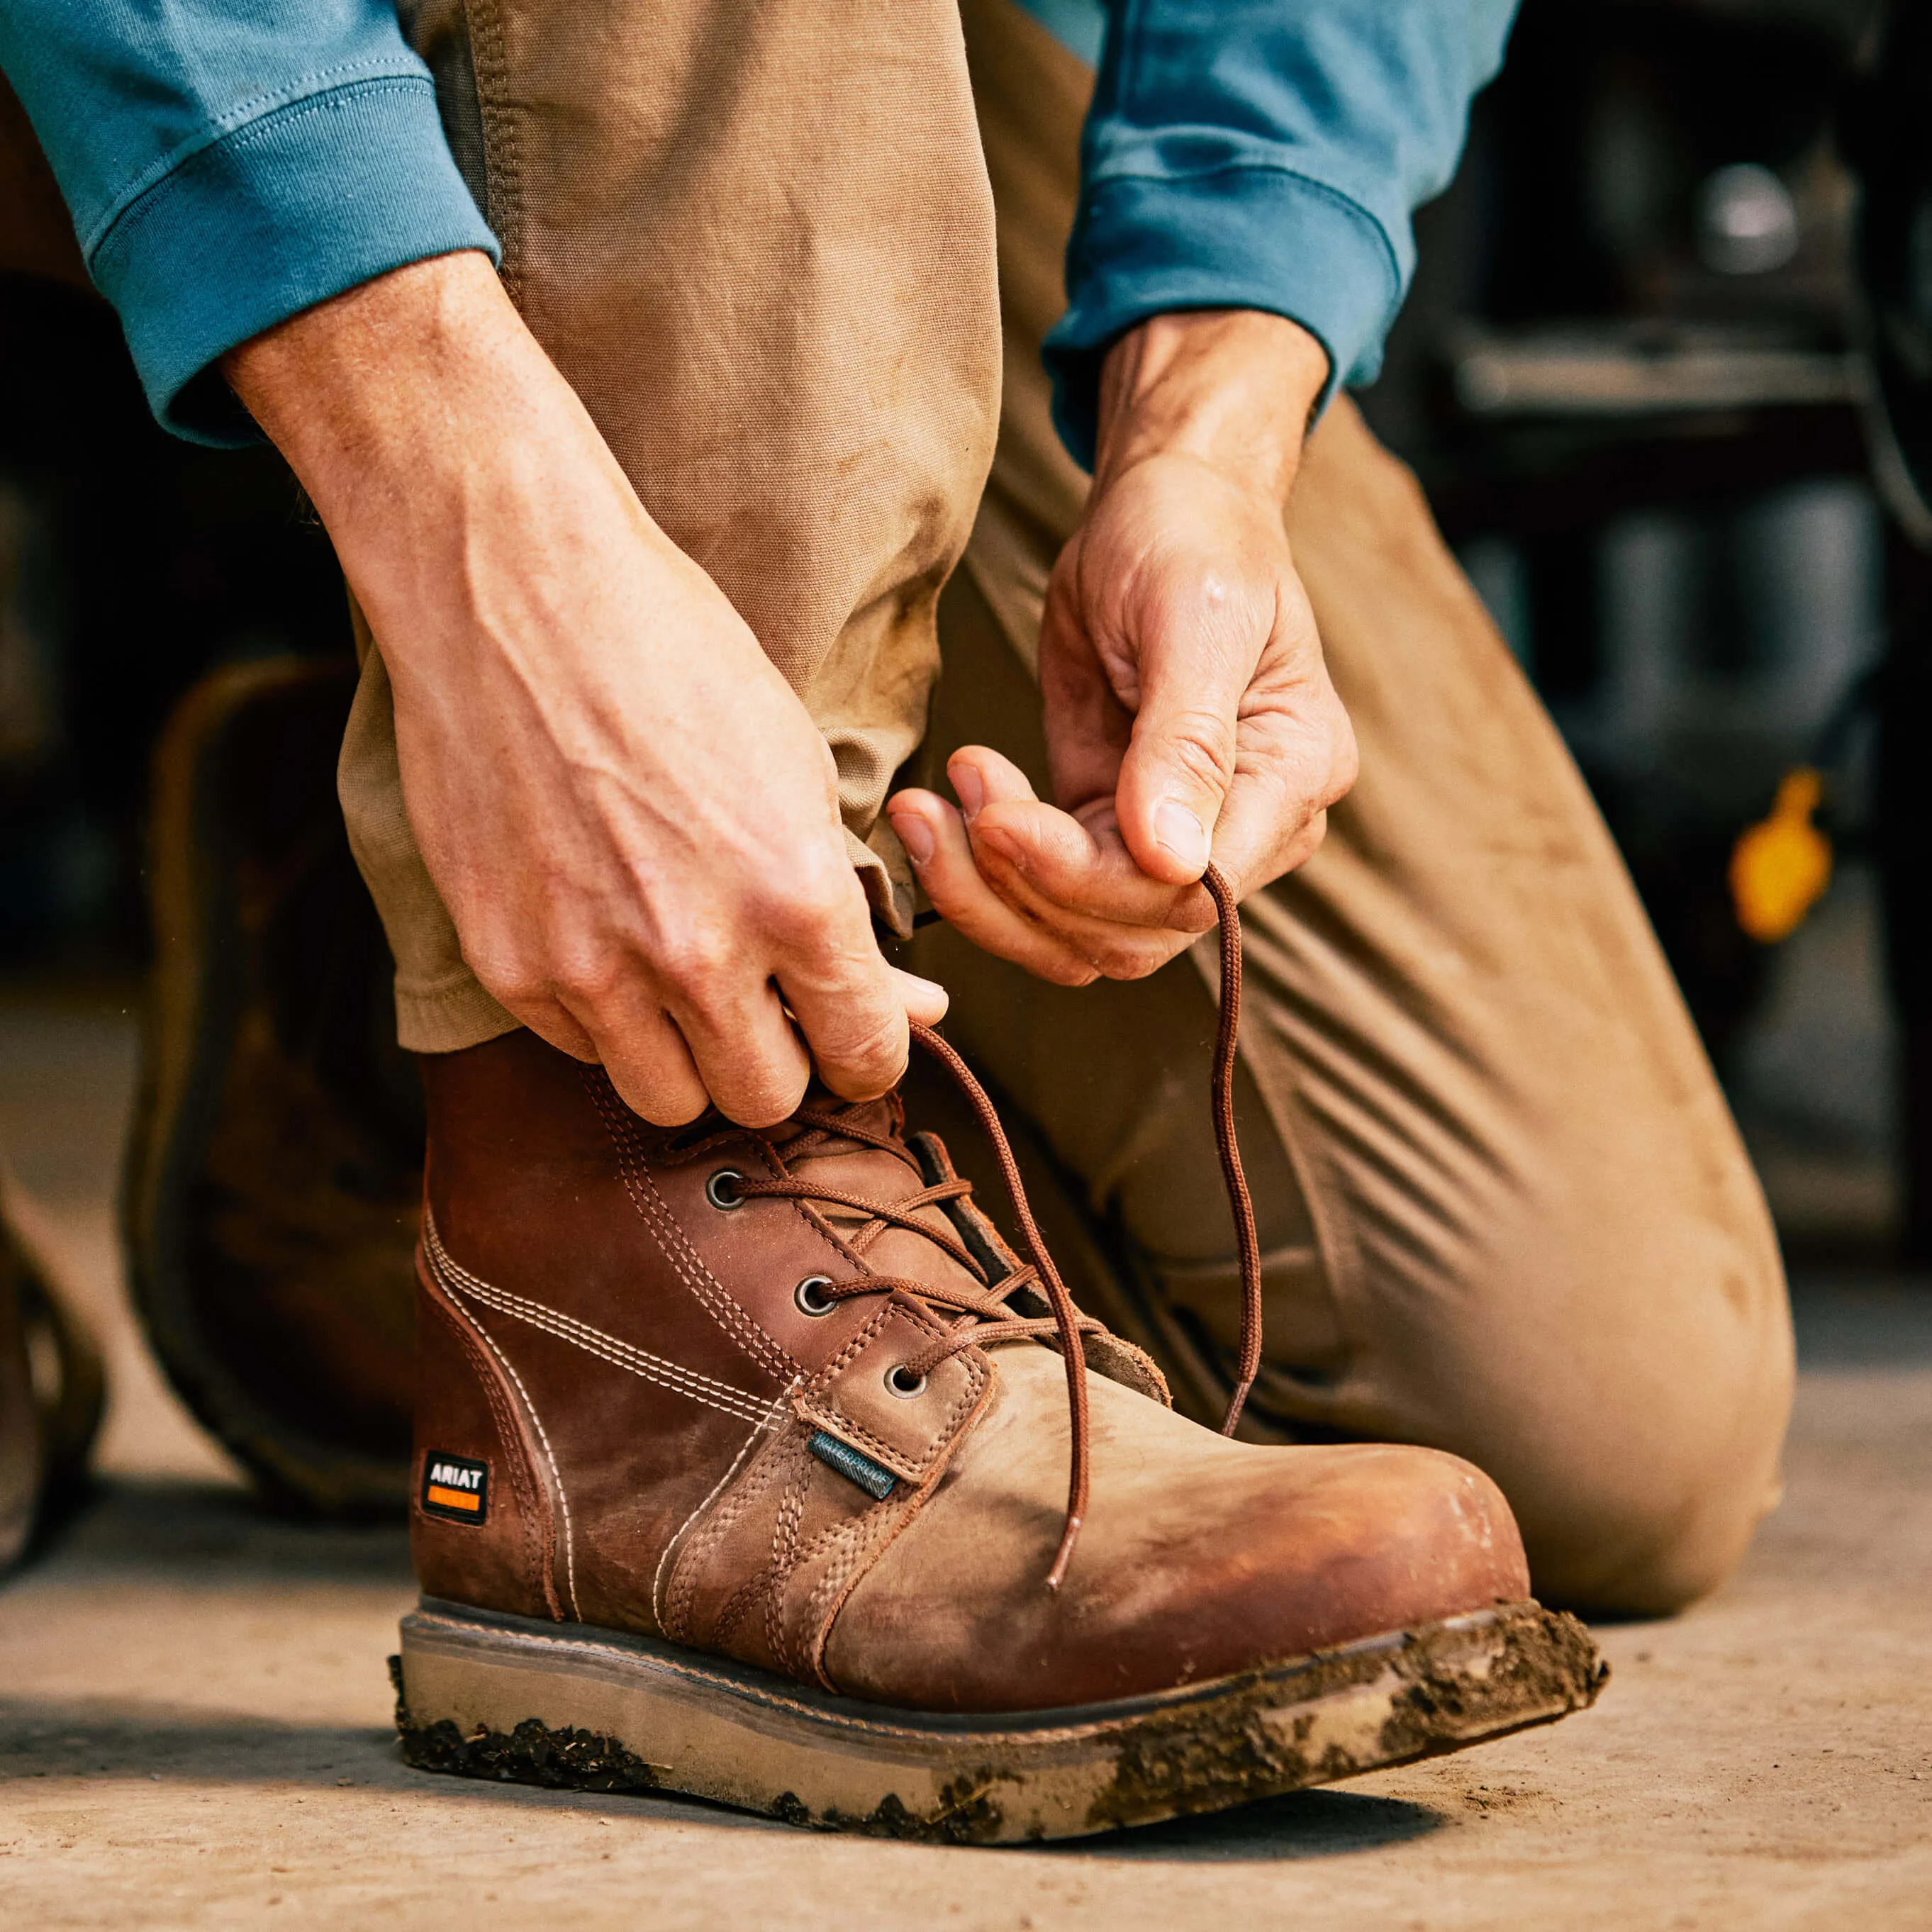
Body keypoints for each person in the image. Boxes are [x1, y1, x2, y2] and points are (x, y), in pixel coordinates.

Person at [0, 0, 1789, 1835]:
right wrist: (466, 530)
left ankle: (390, 892)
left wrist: (1209, 406)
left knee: (1580, 1412)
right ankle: (600, 1162)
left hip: (883, 91)